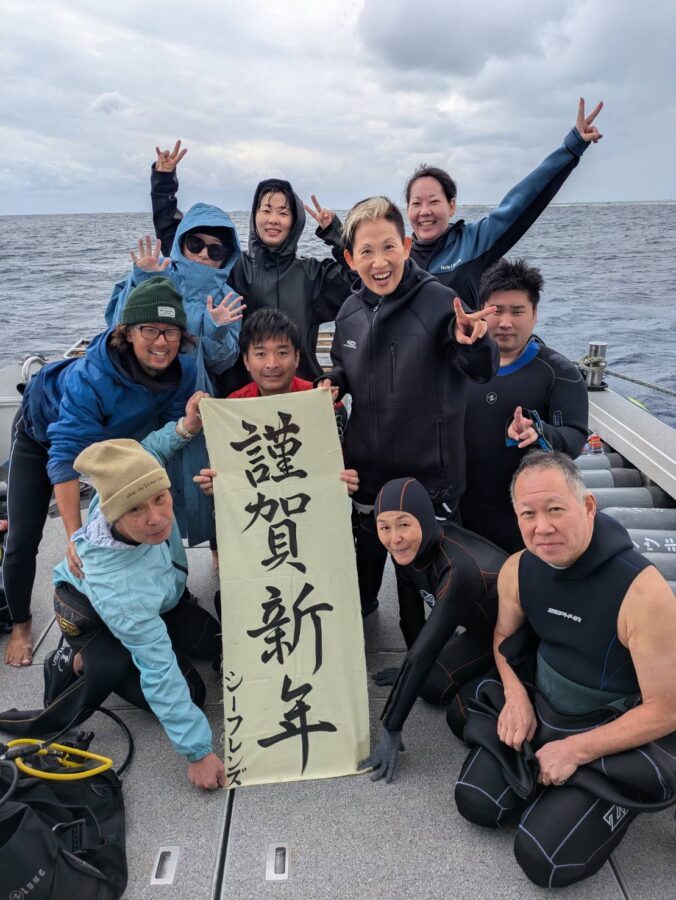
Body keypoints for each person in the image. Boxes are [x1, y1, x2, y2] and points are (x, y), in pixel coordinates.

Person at [454, 451, 676, 888]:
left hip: (611, 723)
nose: (542, 527)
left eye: (555, 509)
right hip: (543, 704)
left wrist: (576, 750)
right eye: (528, 514)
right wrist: (516, 696)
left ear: (588, 505)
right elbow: (503, 637)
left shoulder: (642, 593)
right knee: (476, 802)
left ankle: (615, 797)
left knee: (545, 859)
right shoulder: (519, 567)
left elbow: (666, 710)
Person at [0, 407, 226, 790]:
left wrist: (186, 427)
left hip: (158, 594)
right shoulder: (122, 589)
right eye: (135, 509)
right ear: (112, 513)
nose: (156, 518)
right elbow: (158, 671)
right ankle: (74, 660)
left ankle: (122, 644)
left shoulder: (132, 482)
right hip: (87, 608)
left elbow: (151, 451)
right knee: (190, 691)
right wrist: (198, 752)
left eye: (160, 498)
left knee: (213, 641)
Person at [2, 278, 197, 667]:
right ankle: (21, 623)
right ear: (128, 332)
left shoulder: (184, 371)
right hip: (42, 437)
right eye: (150, 330)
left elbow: (167, 429)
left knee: (143, 516)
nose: (162, 342)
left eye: (171, 331)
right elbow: (63, 457)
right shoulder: (91, 376)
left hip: (112, 439)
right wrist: (76, 537)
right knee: (23, 537)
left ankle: (161, 591)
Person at [319, 196, 499, 615]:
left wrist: (474, 343)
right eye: (366, 251)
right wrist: (332, 382)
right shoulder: (348, 312)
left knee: (427, 587)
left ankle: (433, 643)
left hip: (430, 479)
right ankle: (361, 614)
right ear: (350, 259)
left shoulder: (438, 301)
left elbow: (480, 370)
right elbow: (344, 367)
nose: (379, 261)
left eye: (388, 247)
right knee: (365, 564)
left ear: (405, 246)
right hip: (368, 474)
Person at [150, 141, 355, 387]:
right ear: (255, 216)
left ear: (295, 221)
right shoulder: (231, 268)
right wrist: (163, 185)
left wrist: (335, 233)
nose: (273, 220)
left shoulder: (313, 275)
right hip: (239, 396)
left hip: (299, 393)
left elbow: (360, 279)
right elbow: (180, 246)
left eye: (283, 212)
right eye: (266, 210)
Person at [106, 203, 245, 547]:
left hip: (195, 398)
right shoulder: (157, 273)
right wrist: (141, 278)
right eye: (195, 244)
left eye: (215, 250)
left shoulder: (229, 298)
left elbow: (223, 361)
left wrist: (215, 329)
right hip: (145, 397)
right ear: (181, 243)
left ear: (227, 257)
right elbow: (117, 328)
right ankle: (152, 558)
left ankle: (215, 556)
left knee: (204, 486)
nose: (204, 255)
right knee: (147, 485)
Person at [358, 478, 507, 783]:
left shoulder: (458, 567)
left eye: (404, 524)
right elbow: (411, 618)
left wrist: (391, 726)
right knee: (428, 688)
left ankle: (499, 680)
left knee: (460, 713)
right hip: (482, 632)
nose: (394, 538)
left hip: (517, 639)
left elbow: (426, 649)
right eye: (384, 527)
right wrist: (407, 671)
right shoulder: (409, 551)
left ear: (425, 520)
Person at [405, 99, 603, 309]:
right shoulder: (398, 257)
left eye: (434, 201)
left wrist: (571, 147)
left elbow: (520, 201)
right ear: (408, 209)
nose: (425, 211)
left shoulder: (474, 242)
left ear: (451, 206)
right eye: (416, 203)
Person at [461, 258, 588, 551]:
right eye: (497, 311)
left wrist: (540, 432)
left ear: (534, 314)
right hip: (461, 511)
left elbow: (575, 437)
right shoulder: (457, 364)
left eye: (517, 311)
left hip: (524, 519)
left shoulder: (558, 373)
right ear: (481, 311)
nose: (505, 322)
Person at [194, 308, 359, 500]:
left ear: (297, 358)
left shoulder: (325, 403)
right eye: (261, 354)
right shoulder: (233, 408)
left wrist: (346, 478)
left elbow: (338, 464)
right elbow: (230, 470)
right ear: (246, 361)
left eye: (282, 353)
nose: (272, 364)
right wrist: (217, 482)